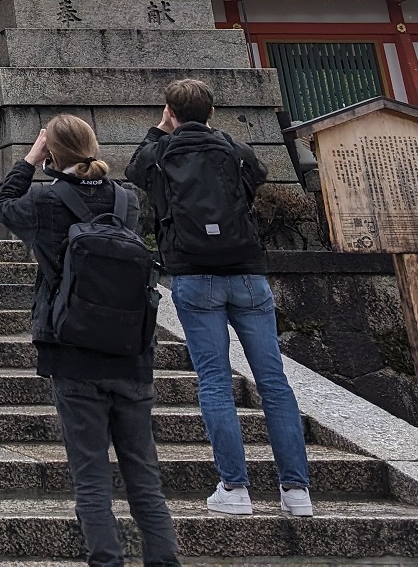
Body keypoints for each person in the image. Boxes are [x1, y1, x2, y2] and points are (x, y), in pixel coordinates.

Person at [0, 114, 181, 567]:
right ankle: (164, 560)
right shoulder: (126, 201)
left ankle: (106, 559)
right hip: (130, 350)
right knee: (144, 473)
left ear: (52, 153)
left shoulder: (44, 202)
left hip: (73, 351)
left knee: (91, 474)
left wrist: (31, 158)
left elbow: (4, 206)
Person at [127, 78, 312, 519]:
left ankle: (236, 487)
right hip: (247, 271)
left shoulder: (160, 151)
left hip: (194, 273)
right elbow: (259, 176)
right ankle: (296, 491)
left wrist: (160, 131)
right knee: (274, 382)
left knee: (214, 381)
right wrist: (215, 134)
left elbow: (134, 172)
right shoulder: (231, 147)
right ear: (211, 113)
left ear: (169, 111)